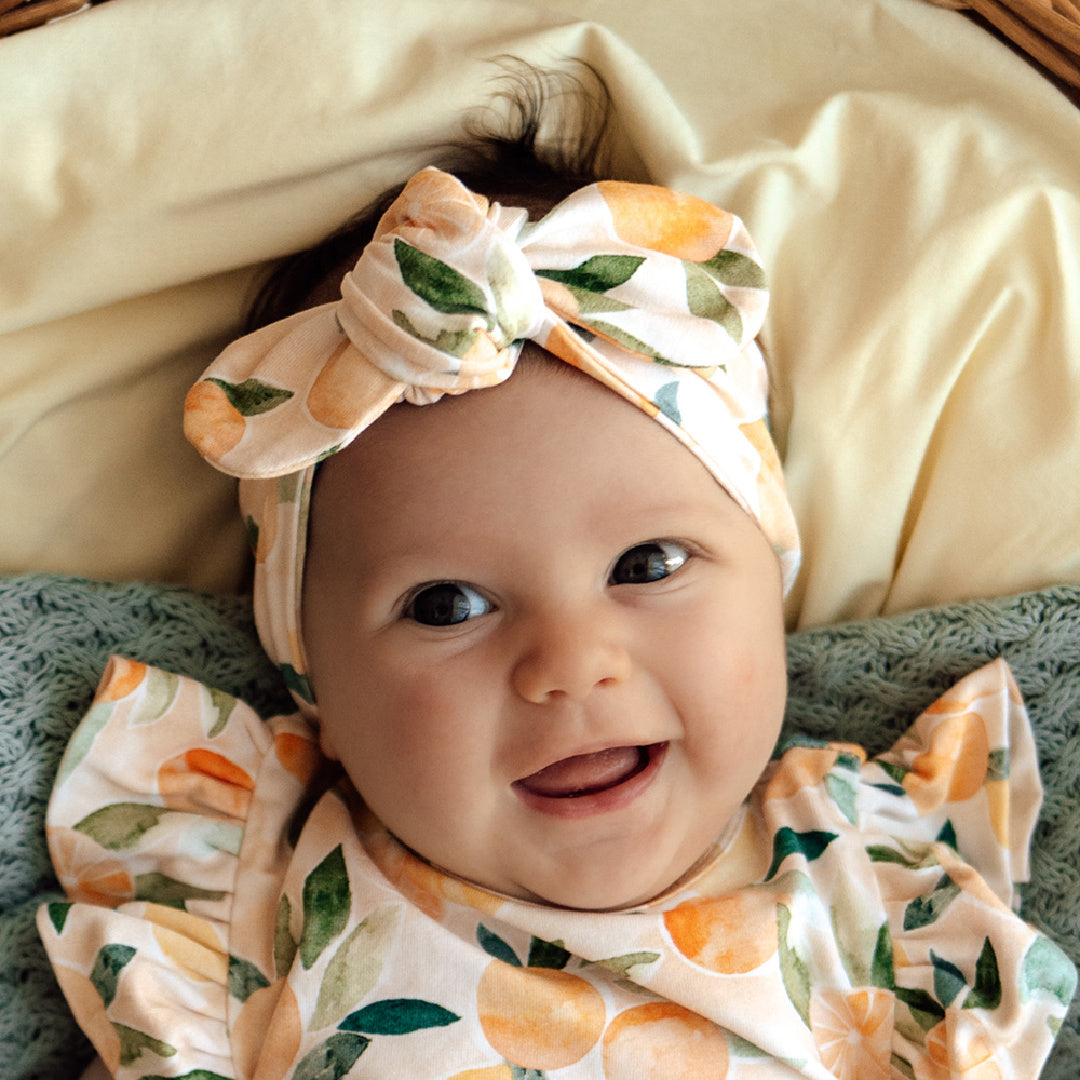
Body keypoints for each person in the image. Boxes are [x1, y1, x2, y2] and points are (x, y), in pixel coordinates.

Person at [38, 68, 1075, 1080]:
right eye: (447, 605)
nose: (571, 664)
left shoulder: (868, 886)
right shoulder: (258, 898)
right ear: (316, 683)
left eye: (648, 564)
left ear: (772, 582)